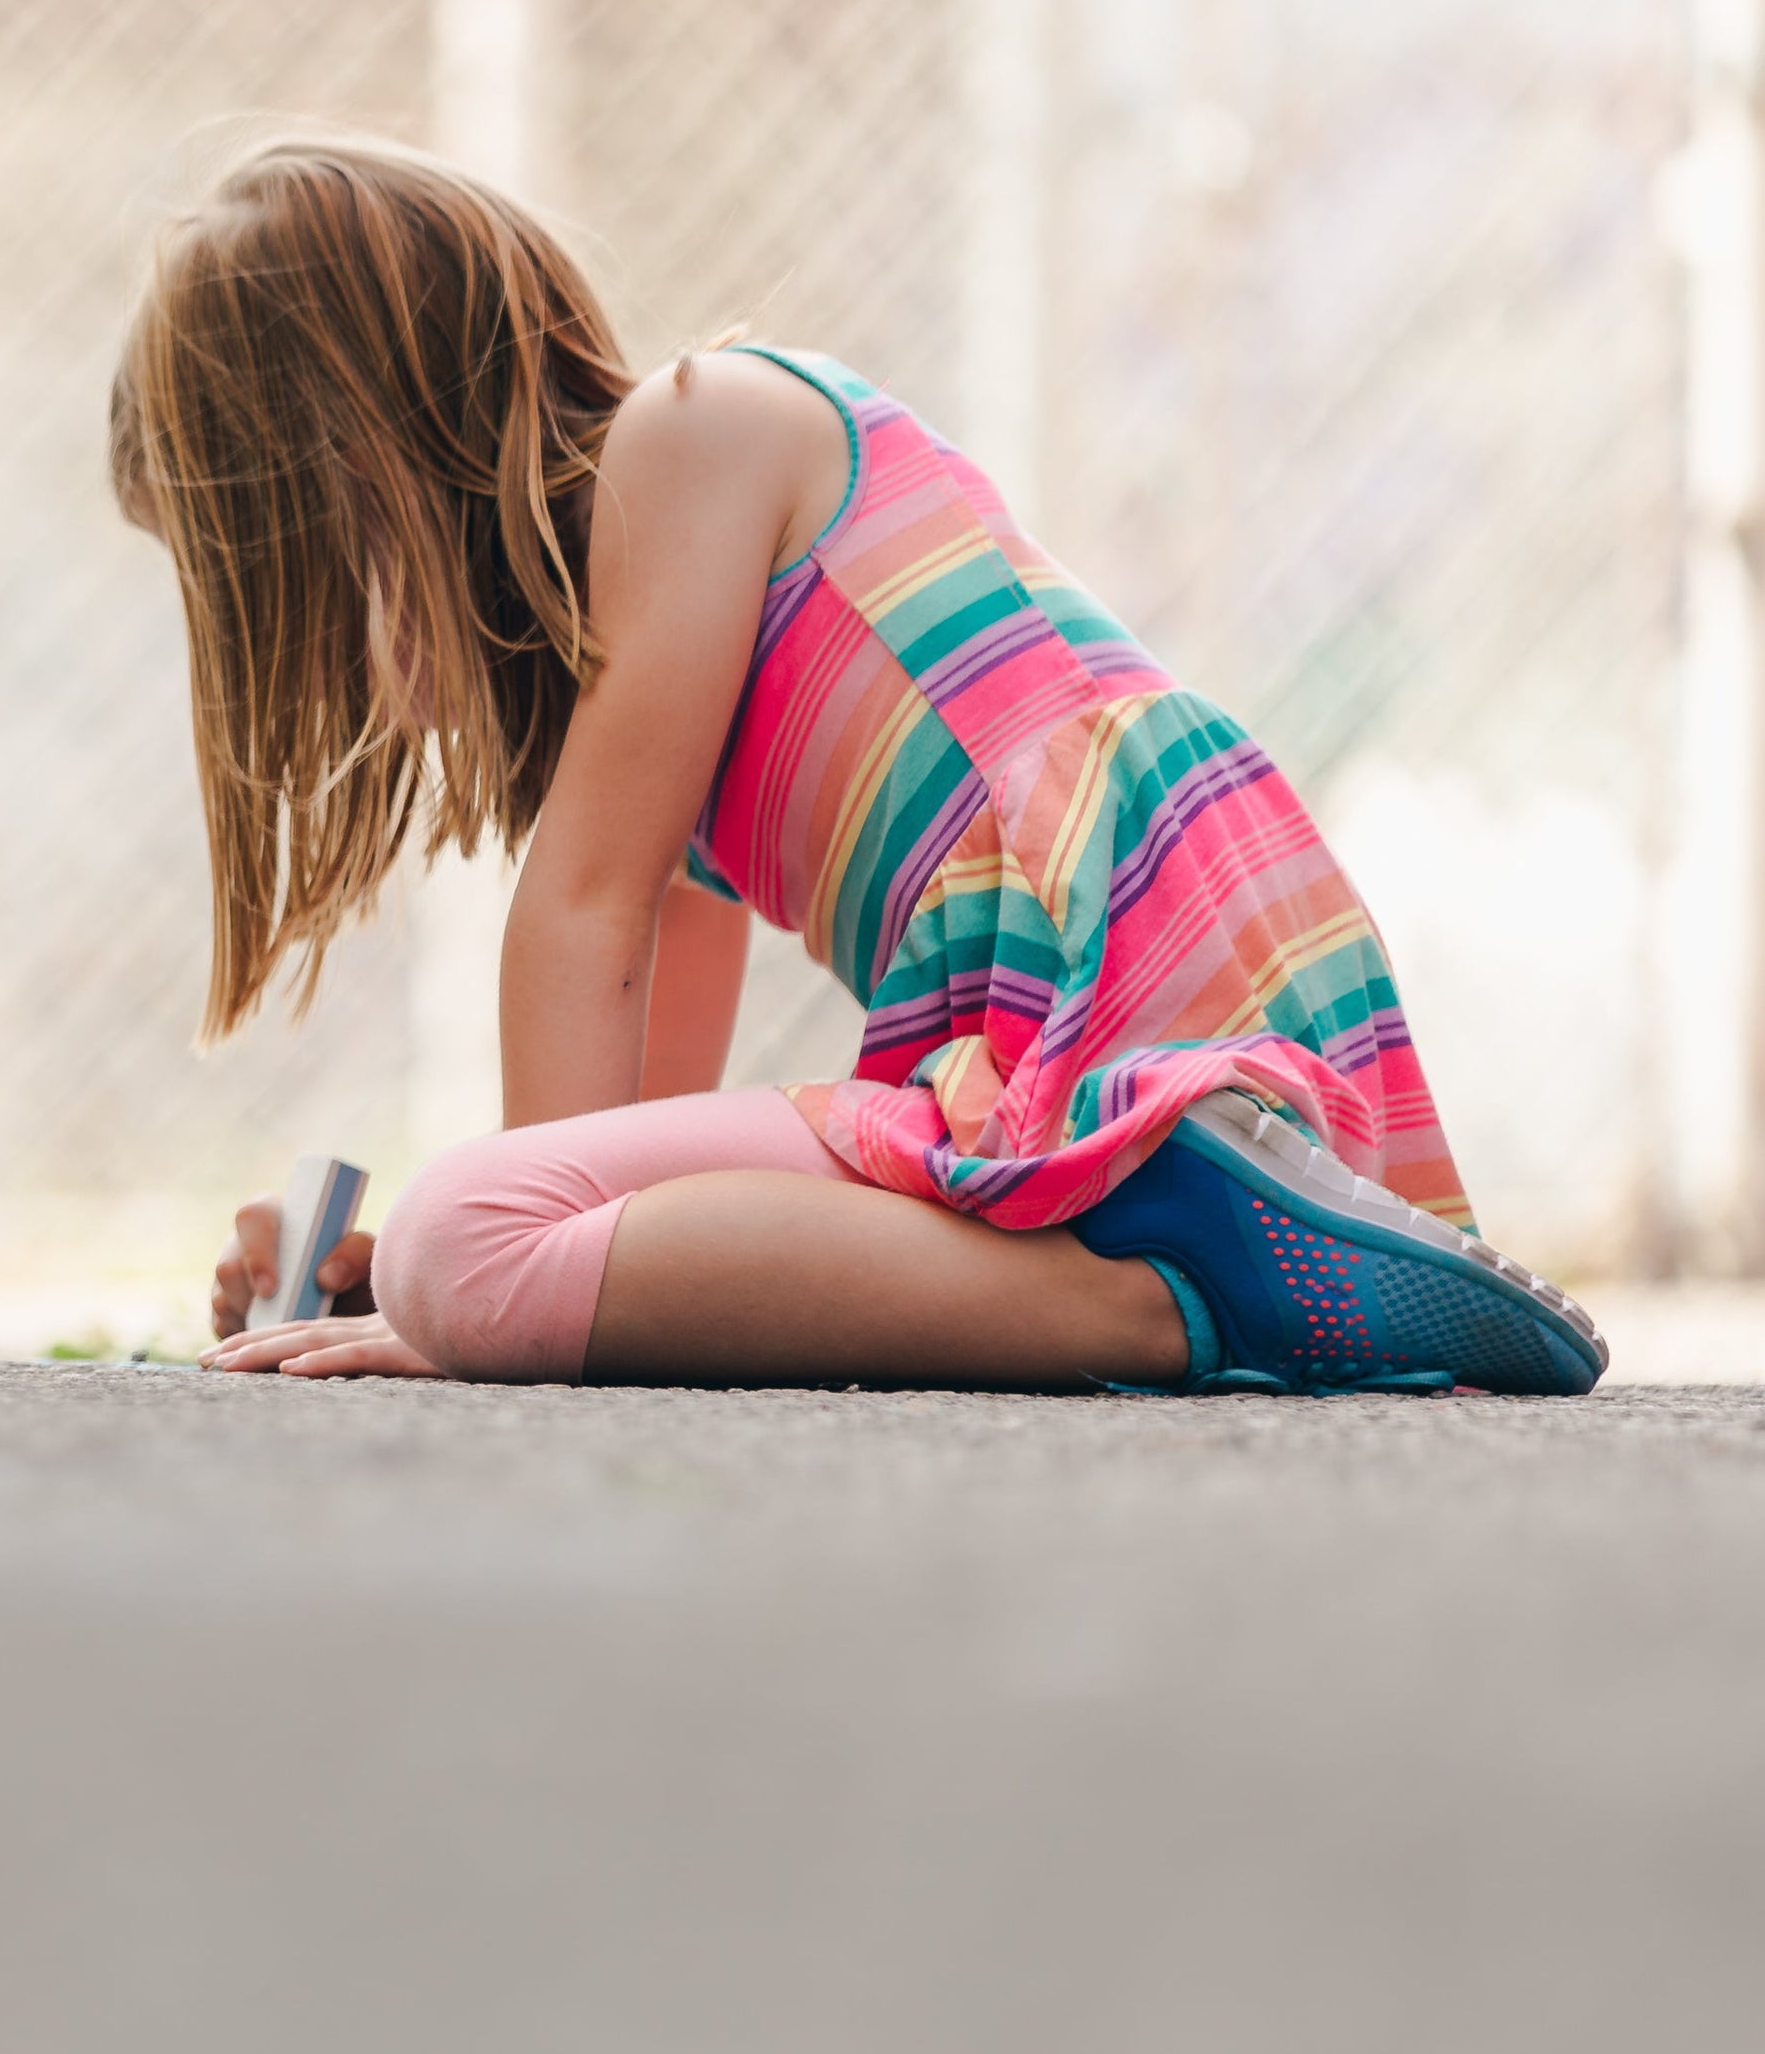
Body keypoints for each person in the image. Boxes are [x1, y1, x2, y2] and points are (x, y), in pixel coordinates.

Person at [113, 133, 1602, 1394]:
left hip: (1128, 946)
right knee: (468, 1245)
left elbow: (581, 918)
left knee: (465, 1240)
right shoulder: (651, 653)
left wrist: (475, 1293)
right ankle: (1219, 1256)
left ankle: (1164, 1300)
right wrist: (473, 1282)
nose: (324, 674)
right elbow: (613, 1159)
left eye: (288, 589)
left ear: (373, 482)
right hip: (1181, 976)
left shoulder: (692, 435)